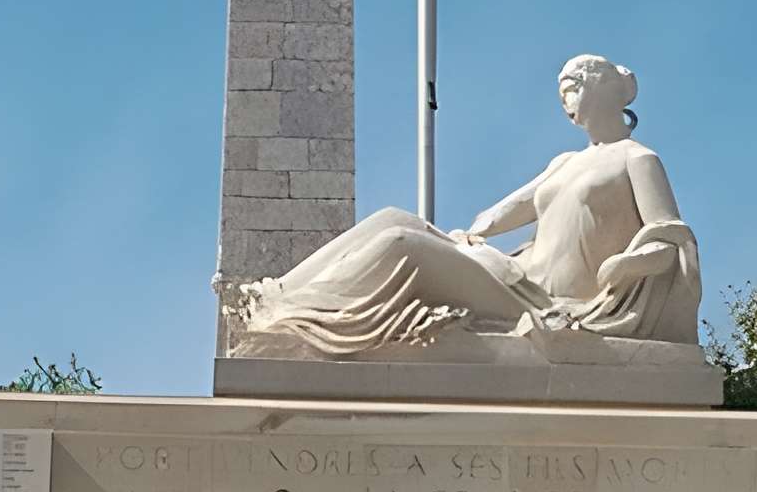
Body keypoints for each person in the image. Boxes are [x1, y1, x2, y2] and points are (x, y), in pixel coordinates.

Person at [227, 54, 701, 357]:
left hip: (547, 302)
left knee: (403, 245)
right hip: (512, 274)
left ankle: (295, 315)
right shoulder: (565, 162)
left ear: (599, 89)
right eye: (562, 95)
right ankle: (275, 296)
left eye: (572, 90)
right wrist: (471, 234)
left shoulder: (637, 159)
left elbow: (671, 240)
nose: (566, 103)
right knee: (396, 218)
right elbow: (510, 208)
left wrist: (628, 265)